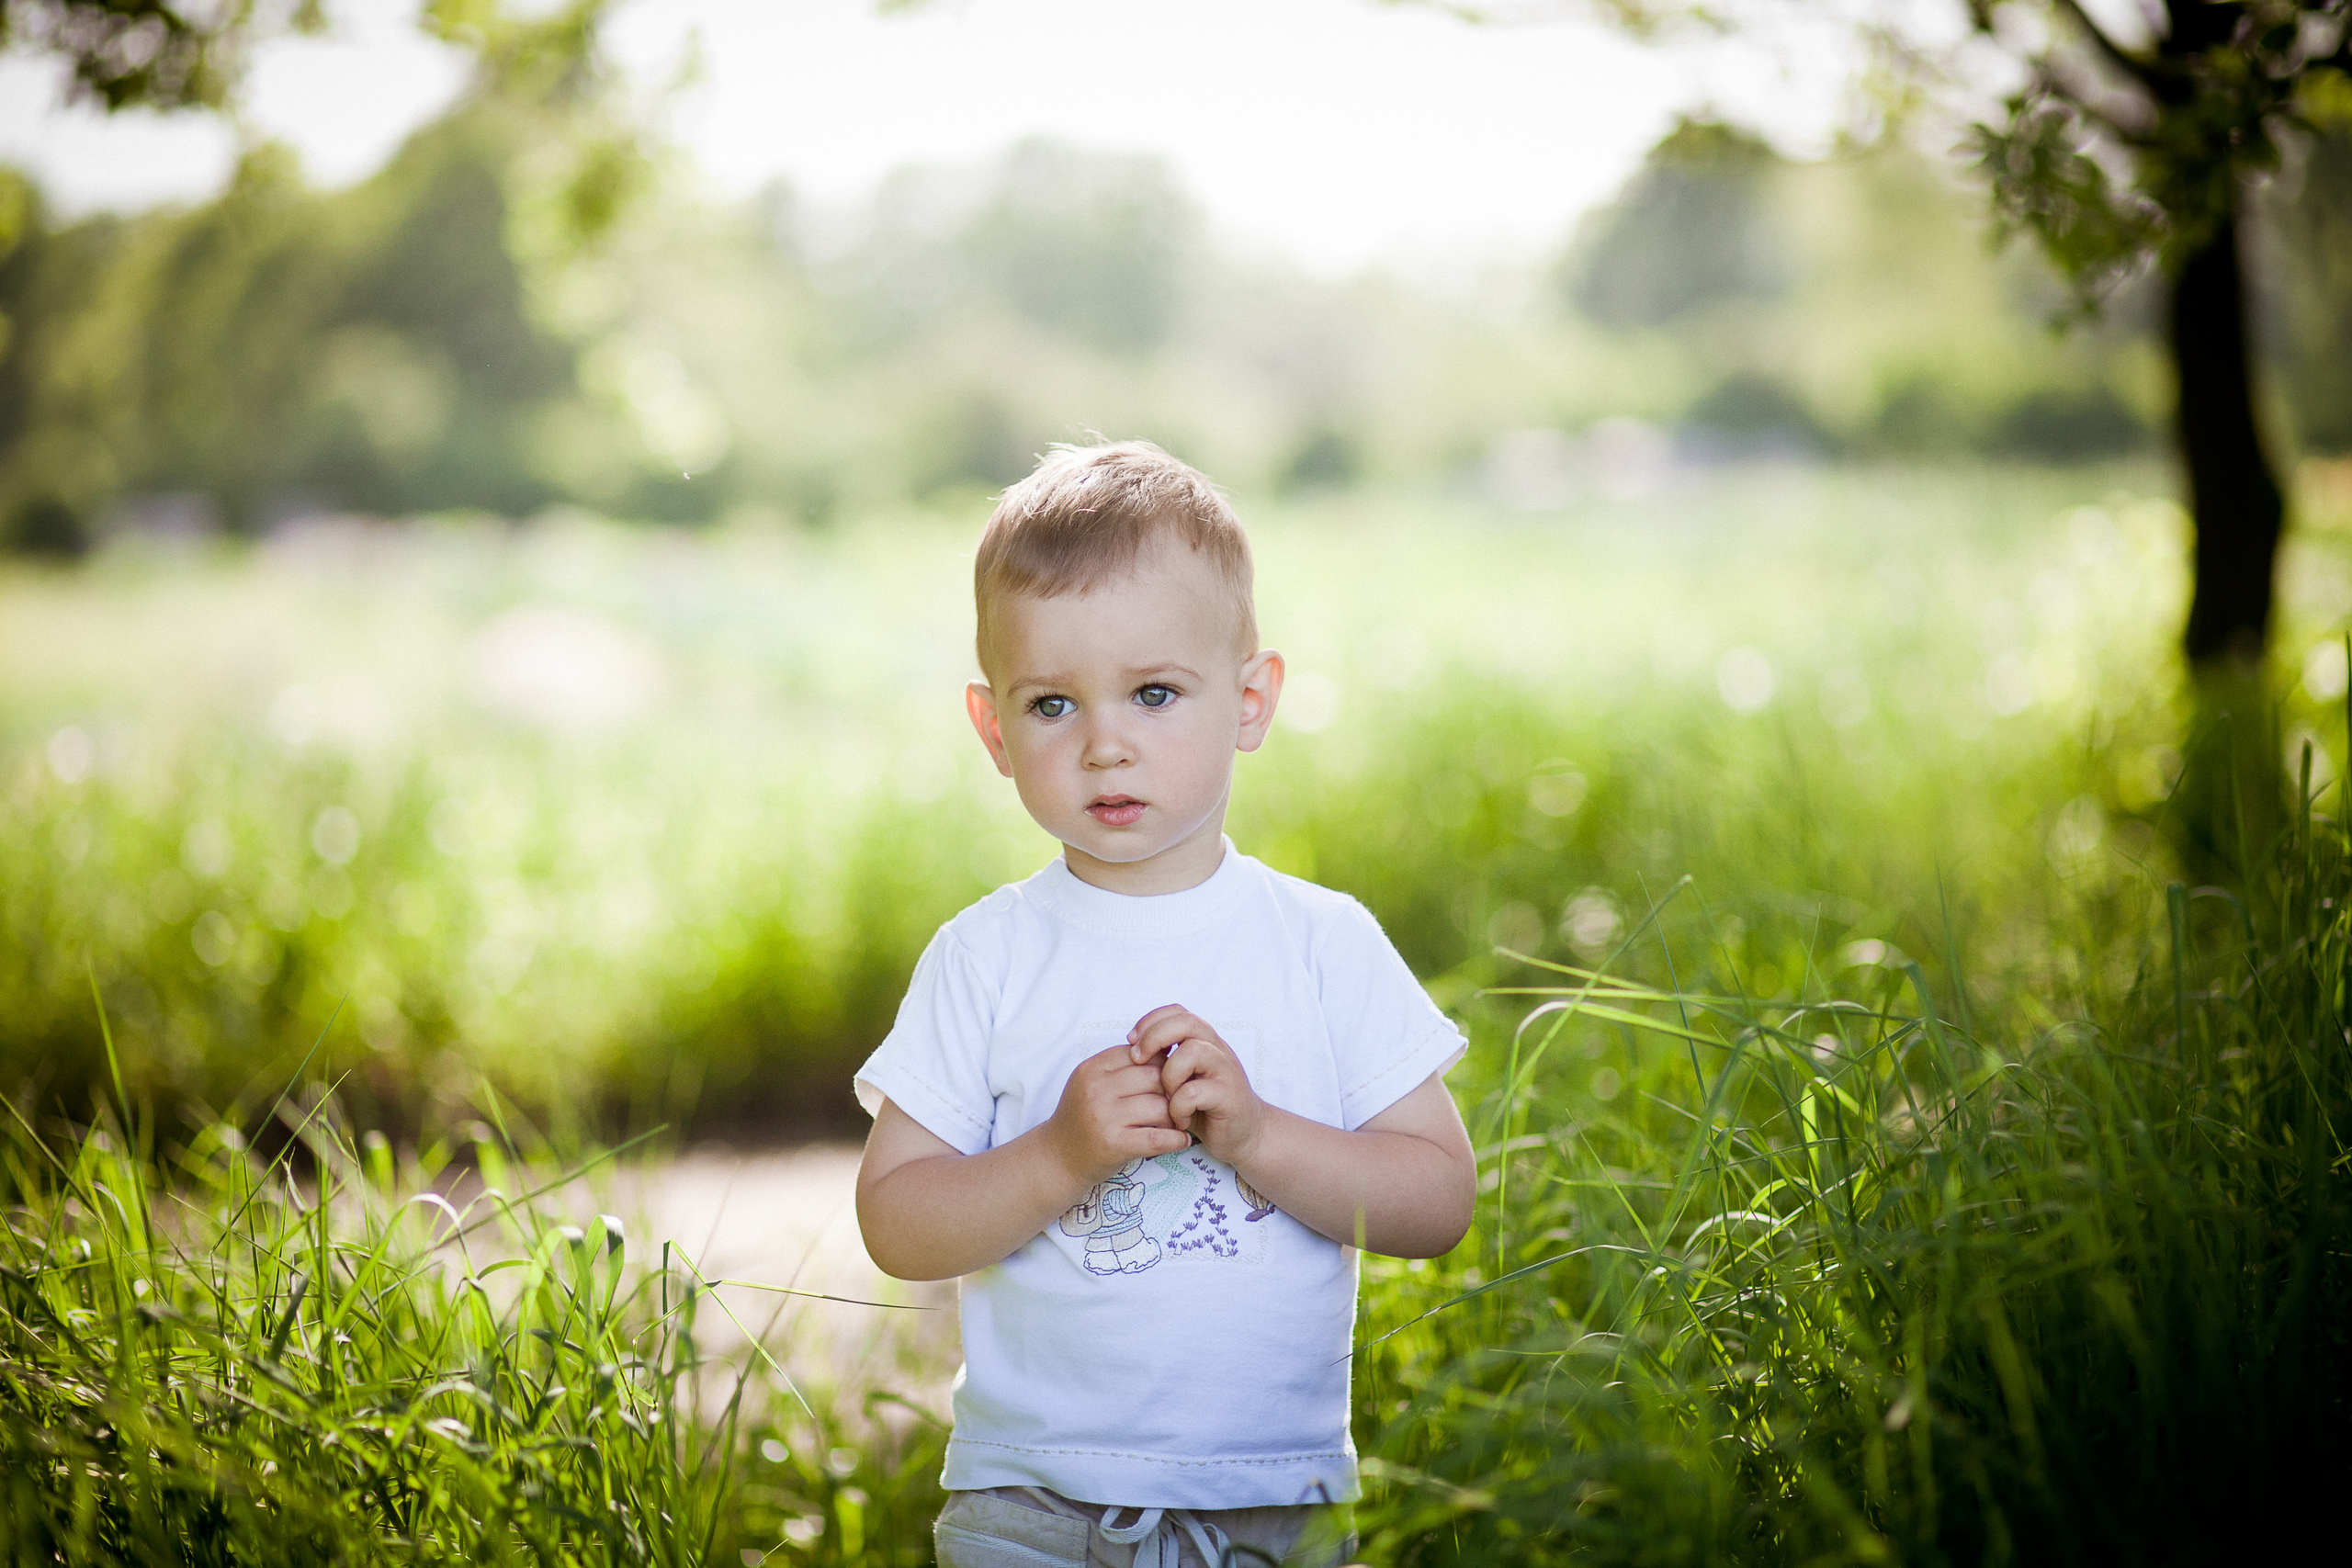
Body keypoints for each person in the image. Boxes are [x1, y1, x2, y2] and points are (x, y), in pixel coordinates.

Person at [853, 441, 1477, 1568]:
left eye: (1152, 692)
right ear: (994, 730)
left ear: (1249, 701)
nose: (1104, 743)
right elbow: (896, 1223)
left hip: (1268, 1506)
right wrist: (1056, 1156)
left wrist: (1258, 1137)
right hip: (1030, 1502)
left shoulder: (1322, 945)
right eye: (1051, 703)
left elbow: (1435, 1202)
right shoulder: (985, 957)